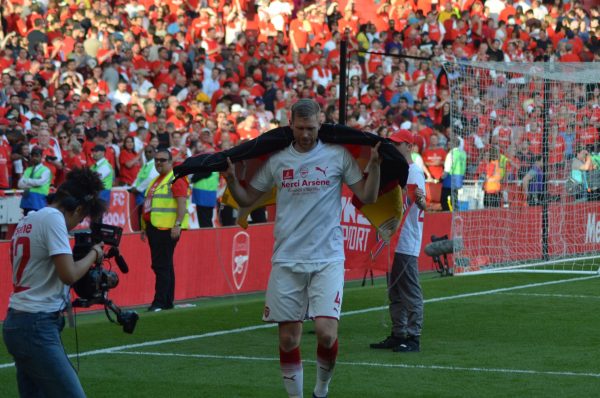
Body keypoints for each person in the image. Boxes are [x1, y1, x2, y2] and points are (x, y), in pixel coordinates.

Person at [222, 99, 382, 398]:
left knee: (326, 332)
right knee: (288, 339)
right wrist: (231, 180)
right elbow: (246, 199)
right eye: (300, 128)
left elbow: (367, 196)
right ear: (290, 124)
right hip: (286, 259)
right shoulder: (278, 160)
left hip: (328, 258)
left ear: (320, 124)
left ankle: (321, 390)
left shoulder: (337, 156)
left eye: (311, 128)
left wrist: (373, 168)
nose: (306, 134)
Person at [2, 168, 105, 398]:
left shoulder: (29, 219)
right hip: (36, 323)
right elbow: (68, 274)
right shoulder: (53, 219)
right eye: (81, 217)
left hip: (17, 320)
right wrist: (94, 255)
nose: (78, 223)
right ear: (77, 209)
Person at [370, 129, 426, 353]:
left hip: (405, 240)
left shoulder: (412, 172)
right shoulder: (406, 170)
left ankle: (413, 336)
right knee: (395, 290)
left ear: (409, 147)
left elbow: (417, 202)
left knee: (409, 290)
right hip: (396, 239)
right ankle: (399, 333)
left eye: (398, 144)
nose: (393, 147)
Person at [141, 149, 190, 312]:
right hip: (155, 227)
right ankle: (167, 301)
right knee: (165, 265)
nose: (158, 163)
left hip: (167, 228)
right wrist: (144, 227)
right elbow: (149, 205)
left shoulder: (175, 179)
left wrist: (177, 224)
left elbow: (181, 204)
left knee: (161, 265)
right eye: (156, 160)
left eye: (162, 160)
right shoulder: (157, 180)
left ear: (170, 162)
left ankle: (160, 302)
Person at [18, 146, 52, 215]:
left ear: (41, 157)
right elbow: (20, 184)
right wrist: (34, 182)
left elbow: (40, 182)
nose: (34, 158)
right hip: (27, 200)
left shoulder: (46, 170)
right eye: (33, 156)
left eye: (37, 156)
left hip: (39, 201)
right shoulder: (28, 169)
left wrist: (26, 181)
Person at [440, 137, 466, 211]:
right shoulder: (463, 153)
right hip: (459, 180)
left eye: (449, 143)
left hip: (450, 179)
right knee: (455, 199)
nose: (448, 145)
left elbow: (447, 169)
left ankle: (447, 216)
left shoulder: (451, 154)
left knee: (446, 200)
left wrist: (441, 178)